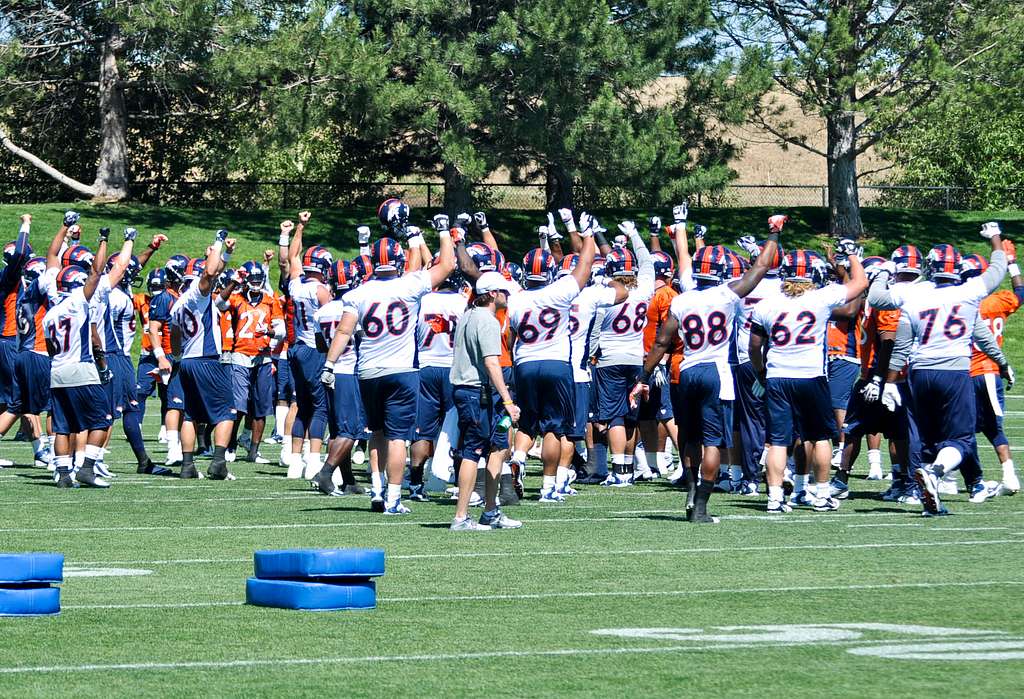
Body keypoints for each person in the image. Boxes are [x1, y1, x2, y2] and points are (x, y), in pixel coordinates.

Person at [633, 214, 780, 523]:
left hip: (688, 370)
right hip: (717, 372)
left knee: (689, 438)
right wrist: (774, 234)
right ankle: (700, 506)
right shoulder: (726, 295)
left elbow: (661, 342)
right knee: (713, 441)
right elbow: (761, 267)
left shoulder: (683, 300)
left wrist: (642, 377)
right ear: (723, 272)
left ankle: (690, 489)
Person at [867, 225, 1009, 515]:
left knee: (928, 438)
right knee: (962, 439)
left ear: (929, 267)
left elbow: (879, 302)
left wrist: (884, 270)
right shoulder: (969, 292)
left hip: (920, 373)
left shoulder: (914, 294)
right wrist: (994, 237)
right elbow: (998, 269)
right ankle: (936, 473)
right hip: (954, 371)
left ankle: (929, 495)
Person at [324, 203, 455, 515]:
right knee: (398, 438)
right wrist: (442, 230)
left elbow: (343, 332)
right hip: (402, 370)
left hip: (367, 370)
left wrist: (329, 364)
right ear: (397, 261)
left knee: (377, 433)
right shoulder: (409, 284)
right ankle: (394, 498)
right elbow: (447, 264)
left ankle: (377, 489)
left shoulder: (359, 293)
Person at [749, 242, 868, 514]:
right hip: (811, 375)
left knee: (778, 441)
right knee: (821, 437)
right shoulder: (821, 298)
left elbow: (754, 346)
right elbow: (860, 283)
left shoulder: (767, 304)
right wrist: (850, 254)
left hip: (778, 375)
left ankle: (775, 498)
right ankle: (822, 494)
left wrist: (760, 373)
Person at [506, 215, 598, 502]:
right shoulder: (560, 291)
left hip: (525, 363)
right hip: (557, 364)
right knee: (554, 427)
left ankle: (519, 457)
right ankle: (547, 487)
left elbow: (510, 338)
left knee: (527, 422)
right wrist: (588, 235)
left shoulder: (515, 298)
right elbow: (584, 267)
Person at [449, 271, 523, 530]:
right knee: (473, 451)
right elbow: (492, 363)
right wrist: (507, 401)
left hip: (475, 392)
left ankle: (491, 511)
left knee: (498, 446)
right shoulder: (487, 320)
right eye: (503, 291)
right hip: (477, 393)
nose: (507, 296)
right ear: (492, 294)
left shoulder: (468, 315)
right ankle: (461, 516)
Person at [44, 228, 114, 488]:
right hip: (80, 369)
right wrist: (103, 240)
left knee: (62, 426)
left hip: (57, 370)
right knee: (103, 418)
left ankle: (63, 474)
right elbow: (97, 272)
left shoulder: (49, 315)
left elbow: (52, 348)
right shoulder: (76, 301)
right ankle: (86, 468)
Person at [170, 231, 238, 480]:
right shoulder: (198, 293)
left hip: (187, 361)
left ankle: (187, 465)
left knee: (191, 414)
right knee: (227, 411)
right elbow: (210, 273)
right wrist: (218, 241)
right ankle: (219, 462)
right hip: (207, 359)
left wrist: (226, 254)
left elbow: (175, 337)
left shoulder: (178, 305)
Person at [964, 244, 1024, 494]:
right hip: (988, 371)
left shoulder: (962, 301)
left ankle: (1000, 478)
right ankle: (1007, 476)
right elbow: (1020, 293)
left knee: (963, 427)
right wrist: (1011, 263)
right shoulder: (998, 301)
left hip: (970, 371)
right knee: (990, 427)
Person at [218, 260, 284, 464]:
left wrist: (269, 332)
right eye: (252, 280)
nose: (255, 284)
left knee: (260, 407)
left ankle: (253, 451)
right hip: (240, 356)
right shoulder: (237, 298)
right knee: (238, 406)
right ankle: (230, 445)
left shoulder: (270, 301)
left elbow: (281, 330)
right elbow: (219, 303)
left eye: (258, 280)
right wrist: (233, 281)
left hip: (262, 357)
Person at [283, 212, 333, 478]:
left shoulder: (296, 286)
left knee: (302, 404)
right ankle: (314, 460)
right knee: (320, 406)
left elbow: (293, 257)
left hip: (296, 349)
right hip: (315, 349)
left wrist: (300, 228)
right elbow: (329, 325)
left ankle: (294, 461)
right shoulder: (320, 291)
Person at [311, 260, 367, 497]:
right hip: (348, 371)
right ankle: (325, 473)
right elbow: (362, 341)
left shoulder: (321, 312)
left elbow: (321, 344)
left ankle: (349, 479)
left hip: (329, 370)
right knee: (351, 430)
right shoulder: (355, 307)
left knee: (337, 429)